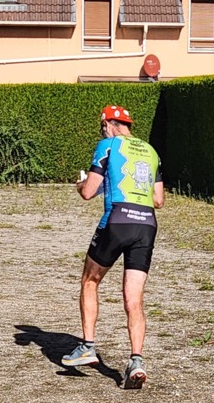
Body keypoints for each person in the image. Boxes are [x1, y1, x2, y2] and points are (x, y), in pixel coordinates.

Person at [62, 105, 164, 387]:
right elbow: (158, 200)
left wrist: (81, 184)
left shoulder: (107, 146)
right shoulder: (151, 151)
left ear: (108, 124)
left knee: (90, 280)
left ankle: (87, 346)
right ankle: (136, 361)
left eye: (102, 127)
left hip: (117, 220)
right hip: (147, 225)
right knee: (134, 298)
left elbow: (87, 193)